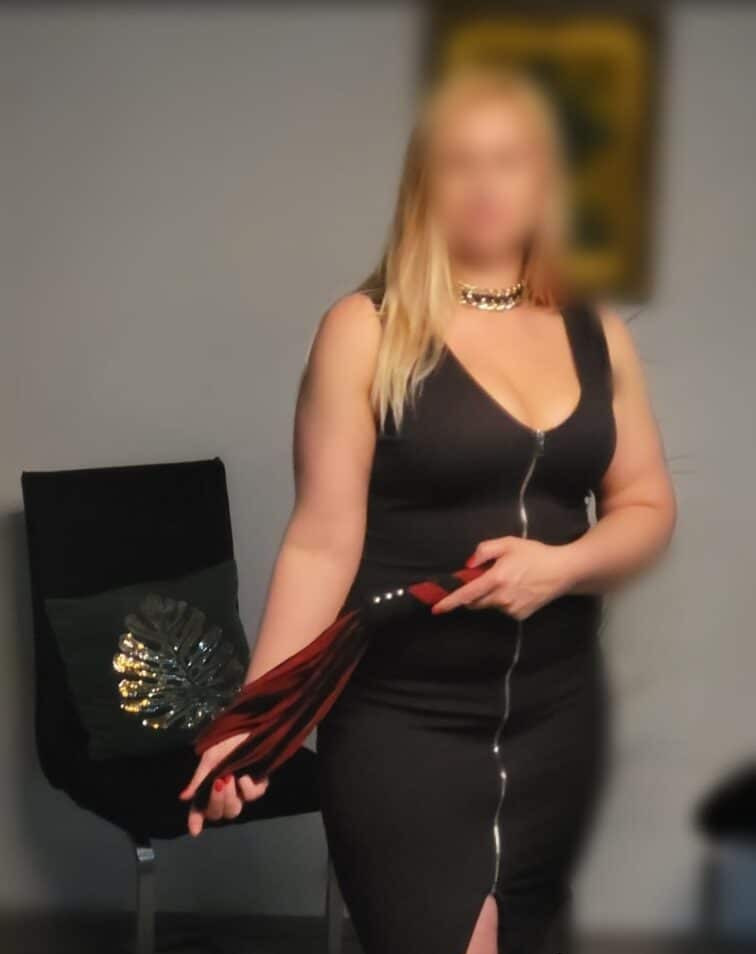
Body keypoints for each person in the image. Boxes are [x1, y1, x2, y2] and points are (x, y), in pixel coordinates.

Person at [180, 68, 676, 954]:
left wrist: (562, 567)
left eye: (510, 161)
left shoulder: (595, 330)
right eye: (460, 162)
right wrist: (260, 718)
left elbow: (645, 506)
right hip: (402, 722)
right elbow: (320, 543)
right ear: (423, 181)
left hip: (557, 718)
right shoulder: (365, 329)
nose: (486, 185)